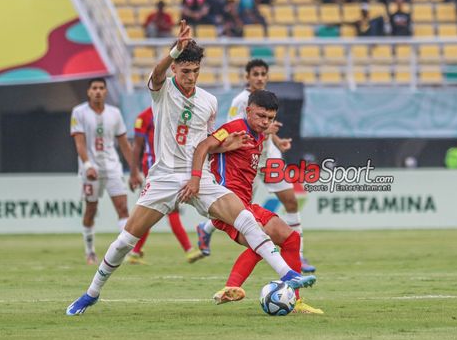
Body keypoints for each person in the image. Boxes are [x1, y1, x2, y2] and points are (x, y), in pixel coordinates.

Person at [66, 22, 316, 315]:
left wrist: (225, 147)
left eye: (195, 71)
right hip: (164, 177)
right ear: (175, 69)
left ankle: (287, 274)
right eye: (185, 71)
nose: (191, 77)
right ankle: (92, 293)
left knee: (246, 217)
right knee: (126, 241)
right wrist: (174, 51)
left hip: (201, 176)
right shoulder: (163, 90)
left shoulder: (208, 102)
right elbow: (157, 74)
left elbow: (204, 143)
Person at [189, 90, 323, 314]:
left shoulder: (260, 135)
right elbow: (203, 146)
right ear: (248, 110)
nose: (265, 122)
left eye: (270, 118)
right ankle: (231, 286)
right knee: (261, 238)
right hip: (226, 204)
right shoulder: (233, 129)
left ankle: (295, 301)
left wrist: (273, 136)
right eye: (261, 116)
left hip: (245, 205)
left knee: (290, 239)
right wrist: (196, 178)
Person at [196, 59, 316, 273]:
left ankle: (298, 255)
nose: (260, 78)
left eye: (263, 74)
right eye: (256, 74)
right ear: (248, 77)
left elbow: (264, 126)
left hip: (268, 156)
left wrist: (278, 142)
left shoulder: (267, 100)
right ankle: (207, 228)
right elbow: (237, 130)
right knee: (241, 212)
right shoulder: (241, 100)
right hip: (244, 160)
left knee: (290, 201)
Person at [71, 78, 142, 265]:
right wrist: (87, 166)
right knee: (91, 210)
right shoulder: (79, 112)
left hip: (112, 167)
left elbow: (124, 144)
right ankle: (90, 251)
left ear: (106, 91)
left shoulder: (115, 113)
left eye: (101, 88)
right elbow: (79, 143)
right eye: (94, 88)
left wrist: (134, 171)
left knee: (123, 209)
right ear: (88, 92)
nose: (98, 91)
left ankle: (124, 253)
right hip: (90, 169)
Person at [126, 106, 205, 264]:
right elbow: (137, 146)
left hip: (172, 168)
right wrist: (134, 172)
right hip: (154, 169)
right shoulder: (144, 116)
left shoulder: (175, 112)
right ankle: (188, 250)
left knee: (152, 211)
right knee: (163, 210)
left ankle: (134, 252)